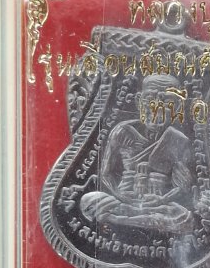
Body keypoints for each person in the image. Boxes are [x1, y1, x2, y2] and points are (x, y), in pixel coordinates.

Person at [80, 74, 196, 235]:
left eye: (166, 103)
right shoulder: (123, 131)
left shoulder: (178, 140)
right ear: (138, 101)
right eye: (150, 100)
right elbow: (106, 173)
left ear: (177, 107)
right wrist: (123, 197)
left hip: (157, 204)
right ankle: (137, 219)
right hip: (122, 199)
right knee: (90, 200)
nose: (157, 109)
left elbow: (182, 186)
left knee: (183, 216)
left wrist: (161, 200)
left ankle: (122, 219)